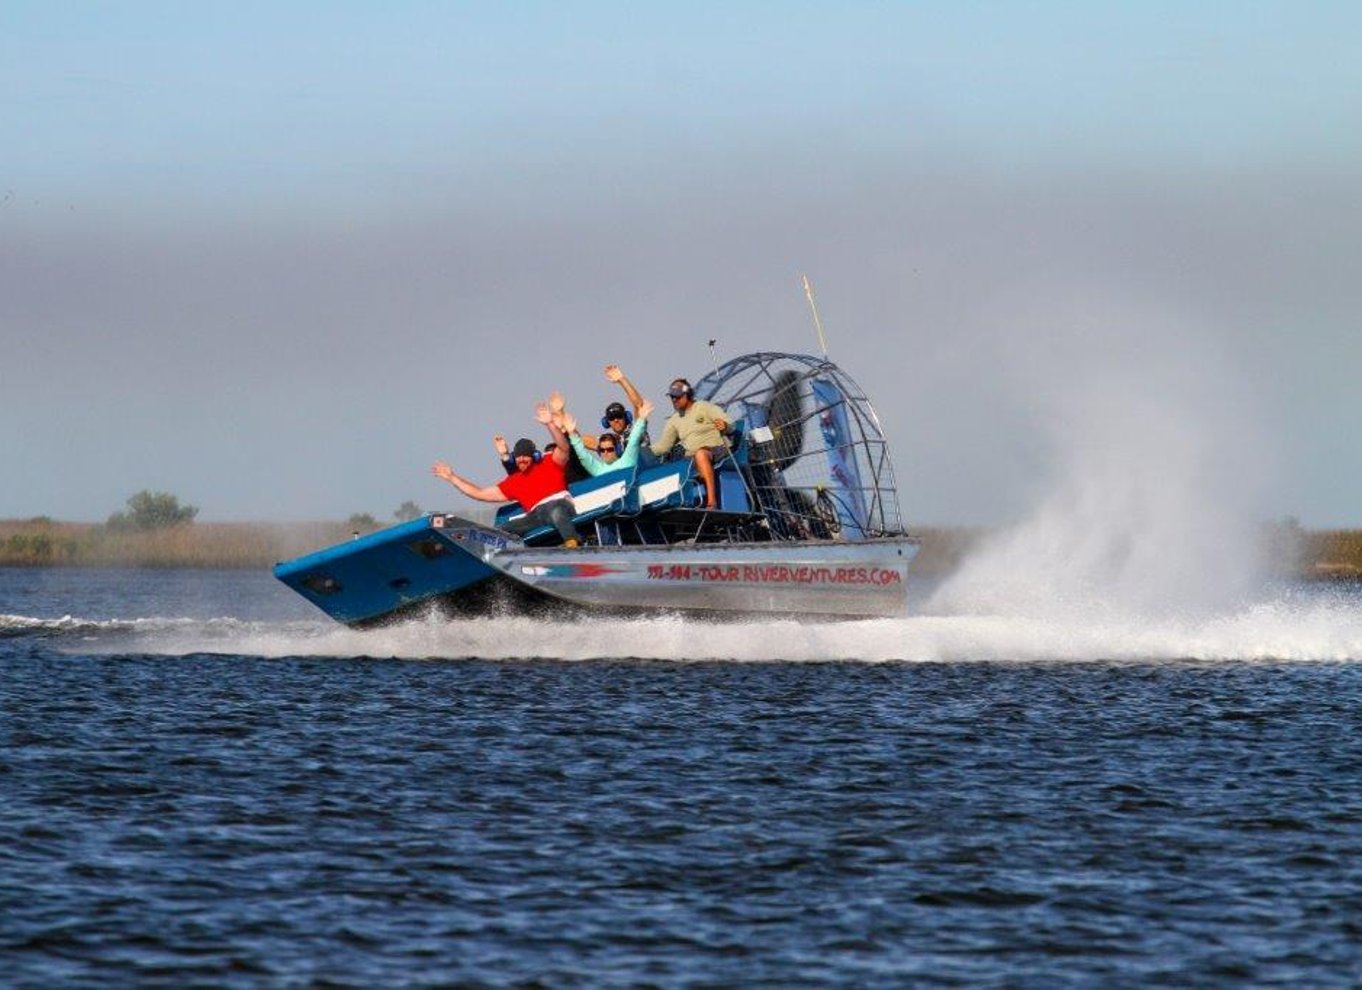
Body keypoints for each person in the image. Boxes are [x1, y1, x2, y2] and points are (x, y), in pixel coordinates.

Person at [433, 404, 581, 547]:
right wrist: (452, 477)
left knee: (556, 512)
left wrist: (550, 424)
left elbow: (564, 447)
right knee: (503, 529)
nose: (521, 459)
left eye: (525, 456)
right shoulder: (514, 482)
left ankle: (573, 543)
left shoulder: (549, 462)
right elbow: (479, 493)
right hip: (536, 515)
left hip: (560, 505)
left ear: (534, 456)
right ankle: (508, 557)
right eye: (518, 457)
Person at [650, 378, 730, 510]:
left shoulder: (704, 407)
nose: (674, 400)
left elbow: (728, 423)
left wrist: (725, 426)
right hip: (692, 457)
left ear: (687, 395)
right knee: (675, 465)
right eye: (672, 397)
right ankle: (674, 505)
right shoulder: (674, 420)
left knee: (700, 454)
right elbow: (663, 447)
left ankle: (712, 502)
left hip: (717, 449)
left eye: (677, 397)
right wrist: (640, 451)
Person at [562, 399, 654, 476]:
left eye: (610, 449)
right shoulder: (598, 469)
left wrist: (642, 419)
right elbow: (583, 454)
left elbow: (634, 438)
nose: (616, 420)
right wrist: (570, 430)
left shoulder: (627, 461)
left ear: (617, 449)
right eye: (602, 450)